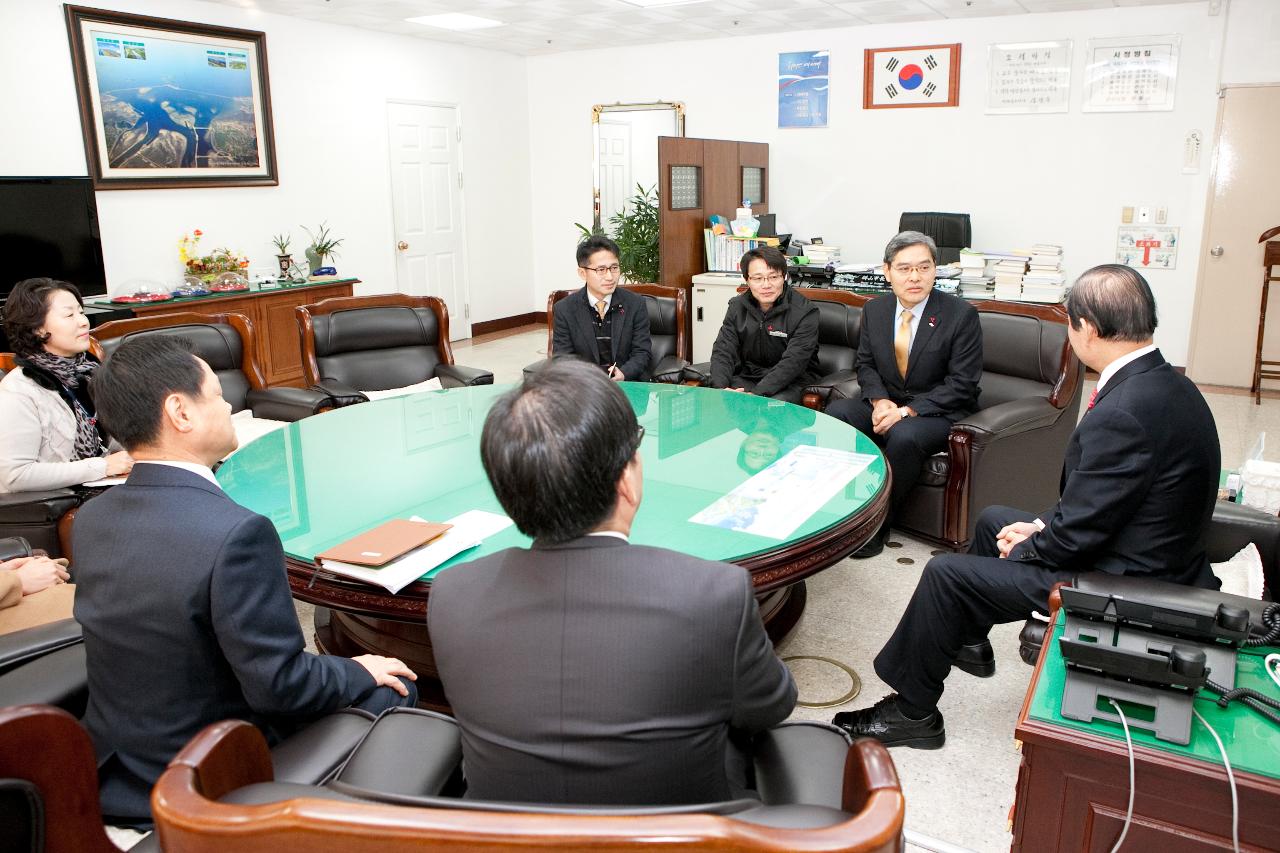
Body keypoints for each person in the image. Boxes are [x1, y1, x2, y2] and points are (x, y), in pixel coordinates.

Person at [832, 265, 1221, 749]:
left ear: (1089, 329)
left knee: (945, 574)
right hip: (1141, 544)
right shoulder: (1168, 382)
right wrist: (1039, 528)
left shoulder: (1124, 412)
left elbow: (1078, 537)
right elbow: (1108, 501)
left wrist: (1039, 540)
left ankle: (913, 712)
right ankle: (970, 642)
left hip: (1127, 577)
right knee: (995, 518)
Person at [72, 336, 420, 824]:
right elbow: (280, 686)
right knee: (395, 684)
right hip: (208, 769)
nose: (229, 405)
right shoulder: (236, 534)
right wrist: (359, 669)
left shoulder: (92, 517)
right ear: (180, 412)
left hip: (118, 765)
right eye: (216, 395)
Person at [429, 358, 797, 805]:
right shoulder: (715, 594)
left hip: (509, 835)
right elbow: (770, 706)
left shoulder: (452, 595)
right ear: (629, 480)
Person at [825, 232, 983, 558]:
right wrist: (879, 400)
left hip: (940, 410)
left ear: (935, 270)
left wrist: (906, 411)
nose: (914, 277)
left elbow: (962, 383)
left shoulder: (960, 315)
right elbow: (865, 364)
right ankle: (843, 512)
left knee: (904, 435)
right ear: (887, 271)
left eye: (924, 268)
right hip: (890, 402)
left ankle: (877, 524)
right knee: (839, 414)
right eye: (904, 268)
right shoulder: (876, 310)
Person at [0, 278, 133, 494]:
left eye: (81, 312)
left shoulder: (91, 372)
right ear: (37, 329)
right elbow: (15, 476)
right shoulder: (19, 391)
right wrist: (103, 466)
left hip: (107, 489)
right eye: (69, 315)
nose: (83, 322)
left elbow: (117, 438)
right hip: (57, 506)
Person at [709, 245, 819, 404]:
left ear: (784, 277)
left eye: (773, 277)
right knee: (725, 402)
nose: (766, 285)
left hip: (792, 382)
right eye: (758, 278)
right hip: (748, 376)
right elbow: (723, 350)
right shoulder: (736, 306)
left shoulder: (805, 312)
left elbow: (793, 363)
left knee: (769, 408)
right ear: (747, 280)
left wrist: (757, 395)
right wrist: (721, 388)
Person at [553, 235, 652, 381]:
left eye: (614, 268)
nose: (610, 277)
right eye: (601, 270)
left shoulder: (635, 304)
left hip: (628, 385)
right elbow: (562, 359)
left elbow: (642, 352)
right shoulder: (565, 309)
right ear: (582, 273)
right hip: (585, 388)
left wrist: (624, 373)